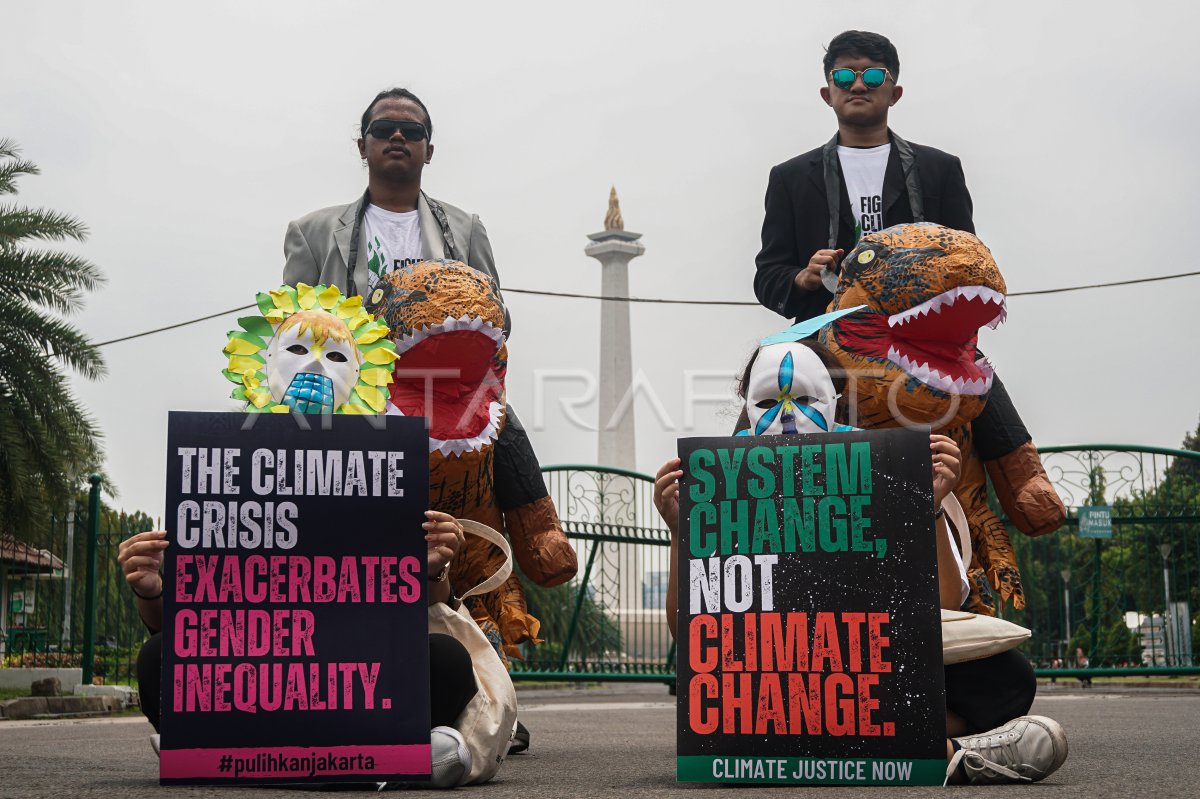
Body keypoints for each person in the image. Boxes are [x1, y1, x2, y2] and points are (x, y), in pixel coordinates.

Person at [653, 334, 1068, 785]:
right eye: (770, 400)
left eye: (806, 397)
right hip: (773, 679)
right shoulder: (722, 483)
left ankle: (824, 748)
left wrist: (926, 506)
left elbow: (944, 605)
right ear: (747, 403)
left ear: (834, 398)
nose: (788, 415)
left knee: (1006, 679)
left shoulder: (885, 464)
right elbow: (689, 632)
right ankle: (949, 753)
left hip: (868, 674)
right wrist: (682, 532)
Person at [752, 31, 1058, 515]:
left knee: (975, 371)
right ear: (826, 92)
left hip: (919, 331)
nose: (858, 84)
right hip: (826, 334)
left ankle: (1024, 481)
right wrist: (802, 279)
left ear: (894, 91)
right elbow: (767, 275)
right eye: (844, 76)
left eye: (873, 75)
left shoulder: (939, 170)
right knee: (766, 378)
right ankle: (739, 497)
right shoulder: (790, 177)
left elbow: (967, 258)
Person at [118, 511, 478, 788]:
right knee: (157, 655)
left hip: (366, 680)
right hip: (262, 677)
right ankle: (396, 763)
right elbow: (181, 632)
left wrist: (433, 569)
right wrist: (150, 591)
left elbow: (434, 612)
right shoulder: (231, 509)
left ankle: (218, 754)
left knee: (447, 658)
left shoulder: (388, 504)